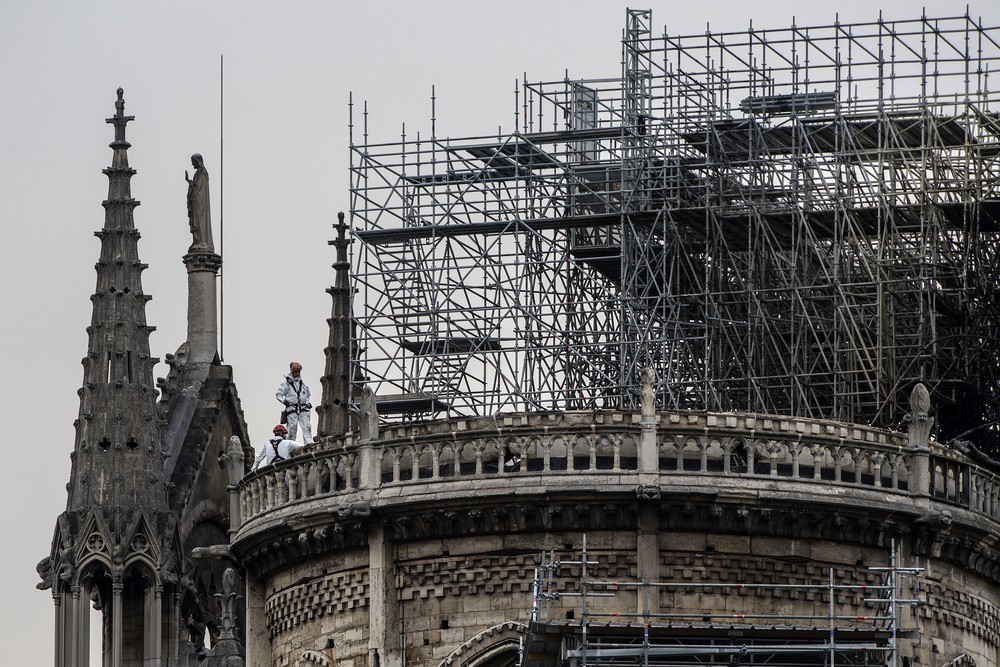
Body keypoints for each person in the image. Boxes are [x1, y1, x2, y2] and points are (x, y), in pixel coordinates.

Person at [276, 361, 313, 444]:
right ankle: (289, 445)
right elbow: (278, 395)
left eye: (298, 371)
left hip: (303, 408)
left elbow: (307, 395)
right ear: (292, 372)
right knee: (292, 428)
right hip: (292, 409)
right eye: (295, 371)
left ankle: (309, 443)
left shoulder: (303, 384)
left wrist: (308, 402)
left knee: (307, 426)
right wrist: (284, 401)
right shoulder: (286, 384)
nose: (297, 373)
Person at [184, 153, 214, 251]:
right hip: (196, 202)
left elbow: (199, 189)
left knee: (200, 221)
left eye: (193, 162)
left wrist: (191, 184)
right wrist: (190, 182)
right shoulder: (199, 173)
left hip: (199, 203)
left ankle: (201, 241)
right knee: (196, 221)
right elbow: (196, 186)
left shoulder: (202, 172)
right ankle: (197, 240)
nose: (192, 164)